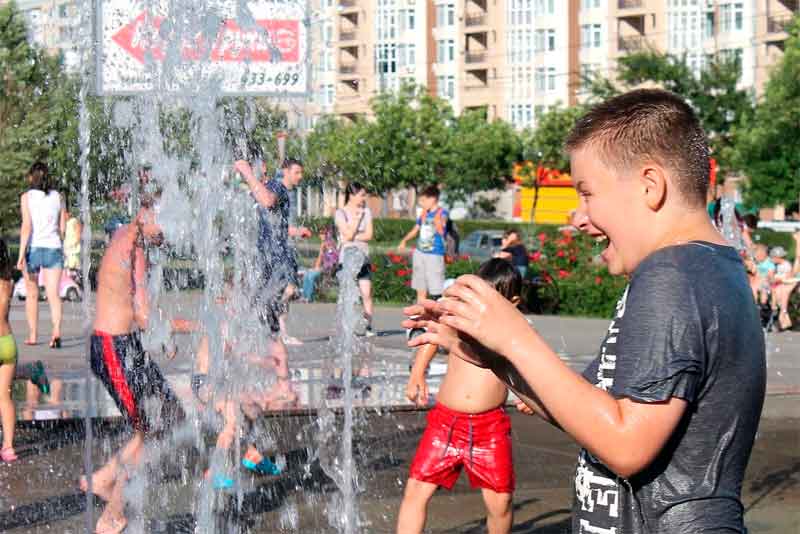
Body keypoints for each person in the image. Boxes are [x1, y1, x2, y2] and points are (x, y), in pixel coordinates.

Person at [404, 89, 766, 533]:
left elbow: (625, 443)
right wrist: (492, 358)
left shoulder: (672, 274)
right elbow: (590, 416)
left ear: (649, 186)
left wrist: (516, 337)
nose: (577, 217)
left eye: (587, 193)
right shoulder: (707, 268)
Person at [81, 205, 191, 534]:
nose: (169, 232)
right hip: (114, 349)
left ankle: (102, 479)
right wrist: (208, 324)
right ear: (145, 213)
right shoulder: (134, 248)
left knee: (171, 415)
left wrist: (164, 336)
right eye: (166, 222)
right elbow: (144, 316)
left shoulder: (128, 238)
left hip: (126, 347)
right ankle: (111, 517)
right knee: (153, 434)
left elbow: (140, 310)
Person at [397, 259, 521, 534]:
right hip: (446, 423)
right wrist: (418, 372)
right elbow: (436, 336)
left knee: (500, 501)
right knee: (416, 488)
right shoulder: (461, 320)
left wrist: (527, 395)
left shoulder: (518, 333)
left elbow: (526, 368)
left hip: (490, 429)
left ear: (513, 302)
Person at [234, 158, 310, 402]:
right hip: (272, 267)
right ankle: (280, 381)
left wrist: (246, 172)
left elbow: (266, 201)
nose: (300, 177)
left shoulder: (276, 187)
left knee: (264, 324)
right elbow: (277, 226)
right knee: (265, 326)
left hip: (276, 269)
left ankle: (281, 382)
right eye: (297, 172)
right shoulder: (277, 188)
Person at [16, 161, 66, 349]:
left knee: (31, 294)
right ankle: (56, 332)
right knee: (54, 294)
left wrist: (21, 255)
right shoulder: (58, 197)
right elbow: (62, 228)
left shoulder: (26, 197)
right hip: (54, 249)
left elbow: (26, 227)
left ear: (31, 177)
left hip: (34, 250)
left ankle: (33, 334)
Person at [335, 182, 375, 335]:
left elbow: (369, 235)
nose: (364, 198)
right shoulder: (340, 213)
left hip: (363, 257)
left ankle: (368, 326)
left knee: (366, 292)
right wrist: (357, 221)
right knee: (348, 294)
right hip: (346, 259)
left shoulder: (367, 212)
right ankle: (347, 327)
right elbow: (348, 235)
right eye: (362, 194)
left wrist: (351, 237)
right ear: (351, 195)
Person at [398, 186, 449, 302]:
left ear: (433, 199)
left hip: (434, 255)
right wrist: (404, 240)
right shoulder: (424, 214)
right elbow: (416, 229)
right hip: (420, 253)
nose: (421, 204)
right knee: (420, 289)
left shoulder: (442, 213)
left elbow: (444, 233)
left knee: (437, 291)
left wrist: (439, 224)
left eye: (423, 200)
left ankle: (437, 317)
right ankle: (420, 315)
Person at [300, 225, 338, 302]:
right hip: (326, 267)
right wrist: (315, 268)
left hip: (329, 269)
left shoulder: (327, 243)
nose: (321, 235)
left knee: (310, 276)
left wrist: (316, 268)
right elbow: (320, 259)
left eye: (323, 233)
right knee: (307, 274)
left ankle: (308, 297)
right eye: (320, 233)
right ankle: (305, 296)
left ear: (327, 233)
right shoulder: (327, 242)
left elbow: (323, 258)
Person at [769, 246, 798, 331]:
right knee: (776, 291)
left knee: (781, 292)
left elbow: (788, 276)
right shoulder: (778, 265)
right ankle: (778, 312)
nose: (772, 259)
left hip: (788, 283)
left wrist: (778, 278)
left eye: (773, 257)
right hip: (781, 283)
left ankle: (782, 314)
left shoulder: (786, 265)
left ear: (778, 257)